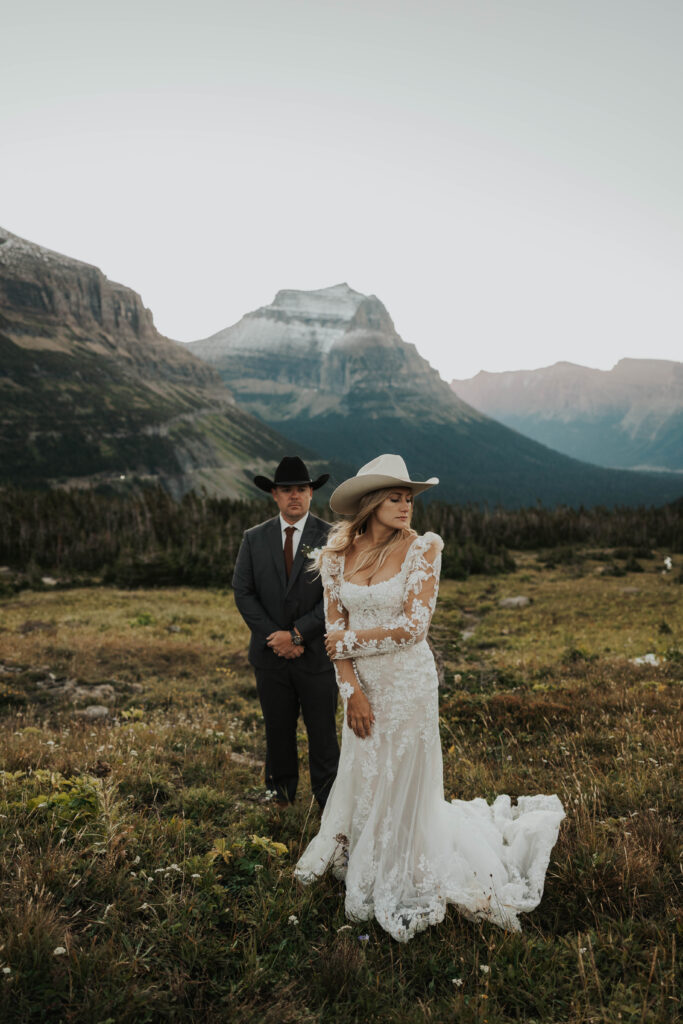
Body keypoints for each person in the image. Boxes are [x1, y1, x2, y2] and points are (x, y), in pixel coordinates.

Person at [295, 453, 565, 941]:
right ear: (372, 502)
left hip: (407, 684)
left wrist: (349, 643)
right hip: (362, 685)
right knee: (366, 772)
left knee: (404, 776)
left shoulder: (424, 549)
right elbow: (334, 625)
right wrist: (349, 689)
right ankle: (367, 857)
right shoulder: (338, 556)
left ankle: (407, 865)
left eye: (409, 498)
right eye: (395, 497)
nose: (405, 506)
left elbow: (413, 629)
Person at [232, 456, 340, 808]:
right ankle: (279, 798)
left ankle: (329, 803)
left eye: (301, 489)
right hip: (269, 657)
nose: (294, 496)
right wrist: (274, 638)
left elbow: (335, 595)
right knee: (277, 731)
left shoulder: (332, 538)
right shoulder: (254, 538)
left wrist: (297, 635)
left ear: (311, 494)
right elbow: (243, 592)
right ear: (274, 495)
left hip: (316, 654)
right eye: (286, 490)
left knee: (322, 733)